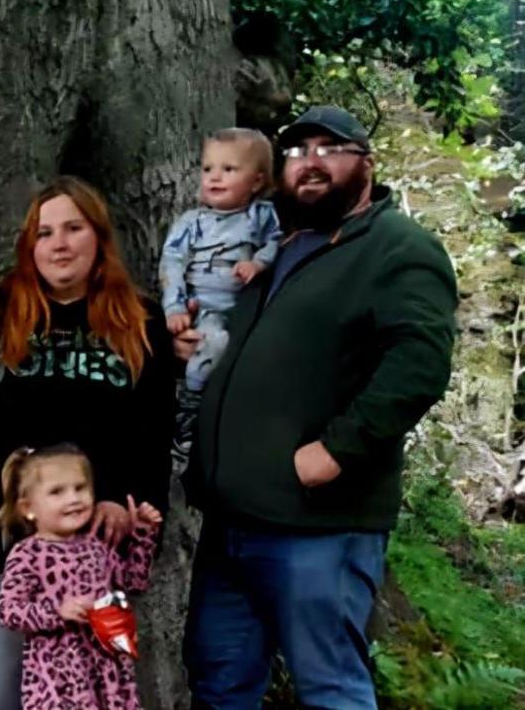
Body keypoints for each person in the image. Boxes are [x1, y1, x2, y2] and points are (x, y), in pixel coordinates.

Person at [177, 106, 458, 708]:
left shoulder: (397, 249)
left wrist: (337, 450)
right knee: (219, 687)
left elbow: (419, 366)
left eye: (330, 149)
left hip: (319, 530)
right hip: (230, 525)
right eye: (298, 151)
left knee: (330, 690)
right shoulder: (276, 246)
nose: (310, 162)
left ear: (366, 164)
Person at [0, 175, 175, 710]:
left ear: (97, 237)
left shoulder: (141, 322)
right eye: (44, 232)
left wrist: (130, 504)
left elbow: (153, 433)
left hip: (93, 534)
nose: (58, 244)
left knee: (99, 659)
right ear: (29, 247)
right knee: (15, 647)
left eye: (73, 228)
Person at [0, 444, 162, 710]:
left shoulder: (95, 547)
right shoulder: (27, 554)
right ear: (28, 508)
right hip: (59, 682)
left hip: (109, 677)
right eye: (57, 492)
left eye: (80, 488)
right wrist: (57, 611)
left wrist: (142, 535)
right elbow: (9, 611)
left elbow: (134, 581)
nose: (73, 498)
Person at [158, 128, 281, 470]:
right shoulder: (192, 222)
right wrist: (174, 306)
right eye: (208, 168)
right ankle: (187, 417)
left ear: (256, 181)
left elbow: (275, 243)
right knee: (210, 343)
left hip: (243, 310)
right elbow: (172, 262)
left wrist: (258, 263)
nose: (214, 177)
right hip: (204, 308)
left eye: (229, 169)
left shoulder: (261, 216)